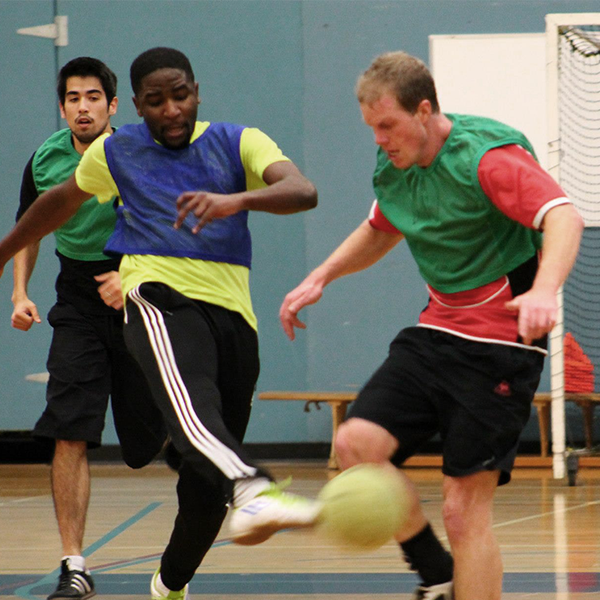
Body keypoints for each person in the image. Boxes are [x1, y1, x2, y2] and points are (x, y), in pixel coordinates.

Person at [0, 47, 319, 600]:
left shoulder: (240, 140)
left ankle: (171, 581)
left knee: (203, 481)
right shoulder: (117, 150)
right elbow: (59, 201)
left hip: (232, 313)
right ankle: (256, 485)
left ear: (197, 92)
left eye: (180, 95)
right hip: (152, 294)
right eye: (156, 101)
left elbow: (302, 191)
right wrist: (5, 253)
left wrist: (235, 200)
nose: (171, 109)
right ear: (139, 108)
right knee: (186, 405)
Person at [280, 51, 584, 600]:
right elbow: (381, 227)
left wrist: (544, 290)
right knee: (356, 444)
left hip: (501, 344)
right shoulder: (396, 166)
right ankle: (436, 572)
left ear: (424, 111)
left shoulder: (488, 159)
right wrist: (321, 276)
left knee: (463, 511)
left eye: (388, 125)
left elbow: (564, 214)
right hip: (438, 330)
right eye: (371, 128)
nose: (379, 139)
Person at [11, 57, 168, 600]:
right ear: (62, 107)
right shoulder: (45, 160)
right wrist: (19, 292)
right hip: (76, 297)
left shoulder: (135, 155)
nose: (83, 106)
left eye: (94, 97)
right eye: (74, 98)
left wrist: (129, 276)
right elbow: (29, 228)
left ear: (112, 106)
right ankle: (73, 565)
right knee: (70, 427)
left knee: (143, 442)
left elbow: (159, 226)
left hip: (136, 288)